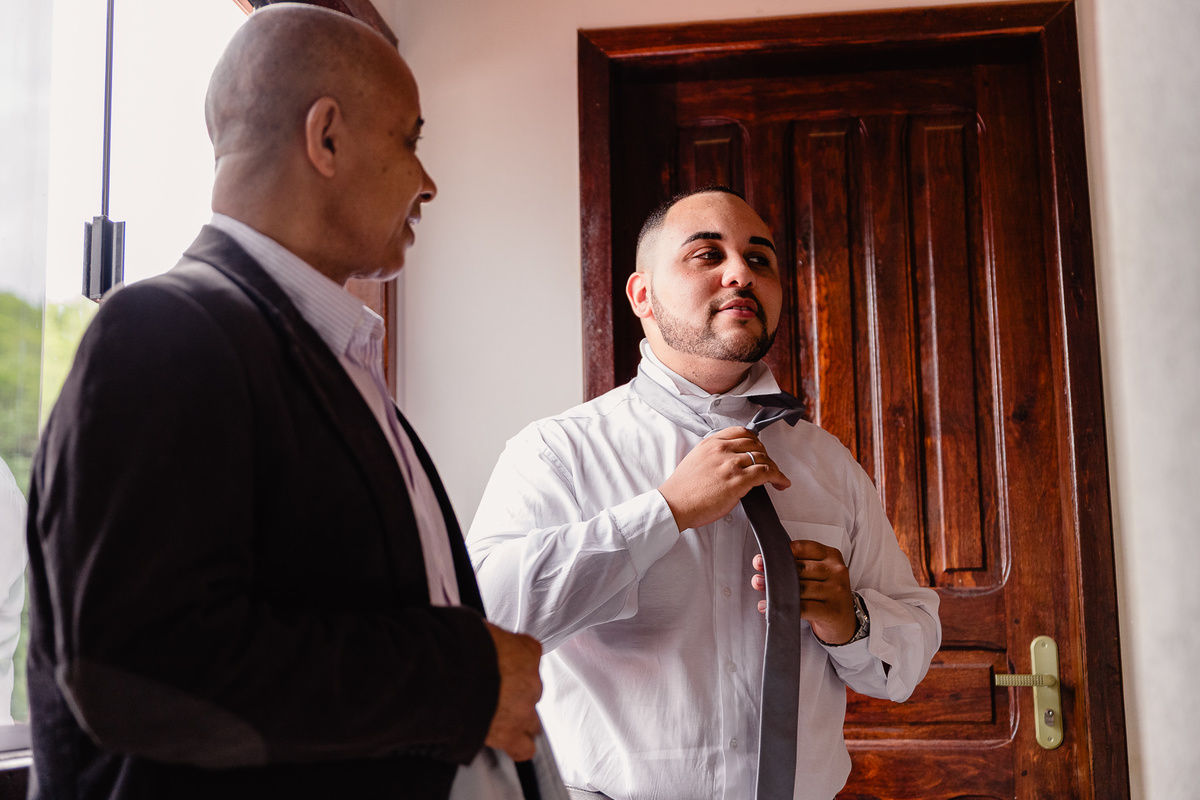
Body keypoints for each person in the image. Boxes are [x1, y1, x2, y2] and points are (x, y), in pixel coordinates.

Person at [23, 6, 544, 799]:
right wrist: (465, 677)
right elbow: (139, 666)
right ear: (325, 136)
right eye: (411, 139)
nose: (428, 181)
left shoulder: (331, 360)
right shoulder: (162, 332)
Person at [467, 187, 942, 800]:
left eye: (760, 259)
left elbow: (906, 658)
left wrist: (847, 620)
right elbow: (487, 619)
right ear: (642, 295)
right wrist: (665, 512)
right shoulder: (559, 453)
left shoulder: (828, 465)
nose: (740, 272)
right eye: (705, 254)